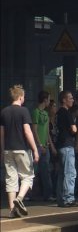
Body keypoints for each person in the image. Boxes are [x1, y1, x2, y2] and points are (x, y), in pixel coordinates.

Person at [1, 85, 40, 217]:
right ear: (20, 97)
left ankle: (12, 211)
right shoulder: (24, 111)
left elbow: (1, 134)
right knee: (28, 177)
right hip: (22, 149)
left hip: (8, 150)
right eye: (24, 96)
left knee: (11, 179)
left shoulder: (4, 112)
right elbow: (27, 131)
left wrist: (2, 150)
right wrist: (35, 149)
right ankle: (19, 198)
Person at [55, 90, 78, 208]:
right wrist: (75, 128)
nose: (72, 100)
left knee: (62, 174)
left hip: (60, 145)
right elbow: (74, 129)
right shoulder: (66, 112)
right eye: (70, 98)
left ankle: (60, 198)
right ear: (64, 100)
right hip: (67, 145)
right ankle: (68, 199)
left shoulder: (58, 113)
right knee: (70, 173)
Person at [32, 90, 56, 202]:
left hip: (45, 146)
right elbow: (34, 130)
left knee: (46, 171)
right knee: (33, 170)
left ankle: (48, 194)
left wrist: (49, 145)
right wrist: (39, 144)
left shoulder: (45, 114)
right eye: (48, 99)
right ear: (45, 100)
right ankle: (30, 193)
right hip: (38, 146)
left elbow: (46, 131)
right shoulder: (36, 112)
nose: (49, 102)